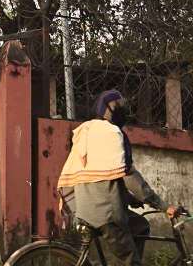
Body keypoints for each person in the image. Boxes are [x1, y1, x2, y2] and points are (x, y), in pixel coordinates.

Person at [58, 90, 183, 266]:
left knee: (140, 226)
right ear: (107, 109)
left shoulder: (86, 131)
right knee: (131, 261)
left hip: (84, 209)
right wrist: (163, 206)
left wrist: (130, 199)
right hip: (106, 212)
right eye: (118, 107)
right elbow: (128, 176)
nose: (123, 111)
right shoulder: (112, 133)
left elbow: (103, 177)